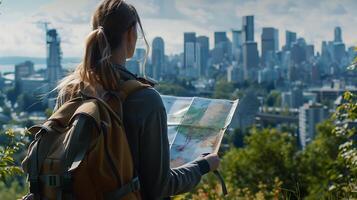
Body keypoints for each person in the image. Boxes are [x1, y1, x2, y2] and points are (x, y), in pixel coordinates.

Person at [53, 0, 220, 199]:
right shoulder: (145, 100)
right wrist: (202, 166)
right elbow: (159, 187)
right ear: (131, 34)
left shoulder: (71, 90)